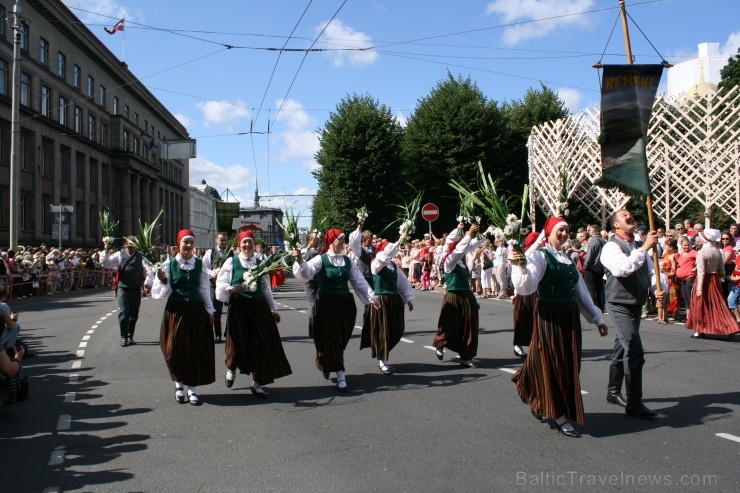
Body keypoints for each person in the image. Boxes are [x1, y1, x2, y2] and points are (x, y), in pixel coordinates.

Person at [509, 217, 608, 438]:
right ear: (549, 232)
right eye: (560, 229)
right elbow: (526, 287)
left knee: (568, 364)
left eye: (566, 229)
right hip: (549, 317)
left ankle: (540, 399)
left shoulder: (566, 259)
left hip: (569, 317)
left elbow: (580, 291)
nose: (564, 233)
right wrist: (519, 265)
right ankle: (560, 415)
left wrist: (597, 318)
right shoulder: (539, 256)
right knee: (555, 365)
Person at [292, 228, 378, 392]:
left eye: (344, 239)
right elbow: (305, 274)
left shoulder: (348, 261)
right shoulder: (321, 259)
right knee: (332, 337)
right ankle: (340, 375)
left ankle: (325, 361)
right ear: (332, 241)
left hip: (345, 304)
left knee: (340, 337)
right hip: (326, 303)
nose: (344, 242)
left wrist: (372, 298)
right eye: (341, 239)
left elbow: (358, 280)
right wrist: (300, 260)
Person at [600, 209, 662, 419]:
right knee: (634, 349)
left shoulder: (637, 246)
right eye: (624, 215)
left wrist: (657, 289)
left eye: (630, 214)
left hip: (636, 303)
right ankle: (634, 403)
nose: (629, 216)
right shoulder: (611, 246)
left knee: (622, 345)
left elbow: (651, 271)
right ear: (616, 225)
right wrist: (645, 247)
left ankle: (613, 391)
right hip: (619, 304)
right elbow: (622, 269)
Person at [216, 231, 292, 397]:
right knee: (236, 344)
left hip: (258, 308)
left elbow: (266, 288)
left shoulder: (261, 263)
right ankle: (231, 367)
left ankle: (257, 383)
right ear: (239, 245)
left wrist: (274, 310)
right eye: (244, 243)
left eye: (250, 243)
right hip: (239, 308)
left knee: (260, 343)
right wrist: (231, 288)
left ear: (253, 245)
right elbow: (220, 285)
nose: (247, 246)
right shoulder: (232, 262)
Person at [152, 229, 216, 406]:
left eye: (191, 243)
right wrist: (164, 281)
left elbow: (203, 289)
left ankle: (192, 389)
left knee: (195, 349)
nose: (188, 246)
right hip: (175, 310)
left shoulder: (200, 264)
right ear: (178, 245)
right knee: (173, 349)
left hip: (196, 310)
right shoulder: (169, 264)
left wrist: (210, 311)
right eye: (185, 242)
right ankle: (178, 384)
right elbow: (158, 294)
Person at [432, 223, 483, 368]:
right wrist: (467, 234)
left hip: (466, 295)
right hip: (453, 296)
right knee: (449, 325)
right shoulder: (449, 260)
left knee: (469, 326)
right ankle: (440, 344)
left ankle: (466, 355)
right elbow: (459, 250)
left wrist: (482, 233)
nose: (463, 249)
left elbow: (471, 245)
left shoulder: (461, 261)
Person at [361, 238, 415, 374]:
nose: (393, 252)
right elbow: (384, 256)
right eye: (390, 250)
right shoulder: (376, 264)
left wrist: (408, 298)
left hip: (395, 300)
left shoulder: (393, 266)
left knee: (398, 329)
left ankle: (383, 351)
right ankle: (382, 359)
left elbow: (403, 282)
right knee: (383, 330)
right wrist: (400, 239)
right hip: (381, 300)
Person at [685, 229, 739, 339]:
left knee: (700, 304)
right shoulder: (718, 251)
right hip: (714, 279)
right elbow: (721, 269)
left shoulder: (701, 252)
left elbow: (701, 271)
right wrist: (719, 280)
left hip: (704, 280)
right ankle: (730, 327)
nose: (699, 238)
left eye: (701, 236)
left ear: (705, 239)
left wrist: (699, 288)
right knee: (718, 304)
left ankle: (699, 331)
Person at [99, 237, 151, 347]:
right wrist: (106, 250)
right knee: (124, 313)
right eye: (128, 244)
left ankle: (130, 335)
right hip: (123, 288)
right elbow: (106, 263)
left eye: (132, 245)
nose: (130, 247)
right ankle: (123, 337)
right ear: (125, 245)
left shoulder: (141, 256)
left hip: (136, 289)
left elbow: (148, 270)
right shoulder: (119, 254)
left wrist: (148, 283)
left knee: (134, 315)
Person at [511, 231, 540, 358]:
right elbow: (515, 273)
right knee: (521, 318)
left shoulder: (540, 255)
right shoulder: (521, 254)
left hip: (537, 291)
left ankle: (536, 344)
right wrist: (515, 292)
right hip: (523, 292)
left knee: (537, 319)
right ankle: (518, 345)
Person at [203, 232, 231, 343]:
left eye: (225, 240)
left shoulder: (231, 253)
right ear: (216, 240)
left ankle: (228, 331)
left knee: (231, 310)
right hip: (214, 286)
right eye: (221, 240)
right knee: (216, 311)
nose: (223, 242)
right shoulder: (210, 253)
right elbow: (204, 268)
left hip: (229, 286)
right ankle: (218, 334)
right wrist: (213, 273)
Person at [301, 232, 321, 338]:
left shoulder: (319, 251)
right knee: (313, 305)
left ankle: (317, 327)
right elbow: (301, 259)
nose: (318, 240)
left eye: (318, 238)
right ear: (310, 240)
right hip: (310, 281)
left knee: (318, 305)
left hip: (318, 280)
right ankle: (312, 329)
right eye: (315, 238)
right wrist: (308, 247)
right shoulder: (308, 252)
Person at [583, 224, 606, 312]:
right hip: (601, 268)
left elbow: (589, 256)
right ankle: (600, 306)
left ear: (593, 231)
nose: (589, 232)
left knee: (591, 289)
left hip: (591, 268)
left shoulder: (593, 241)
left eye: (590, 230)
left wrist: (586, 265)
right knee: (599, 288)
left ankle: (591, 307)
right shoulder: (604, 241)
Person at [675, 237, 697, 322]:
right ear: (681, 246)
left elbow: (701, 259)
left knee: (690, 297)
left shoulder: (693, 252)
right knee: (686, 298)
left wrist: (695, 268)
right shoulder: (681, 254)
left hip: (689, 277)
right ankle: (688, 317)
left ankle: (693, 317)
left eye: (688, 245)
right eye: (684, 245)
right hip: (682, 279)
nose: (686, 247)